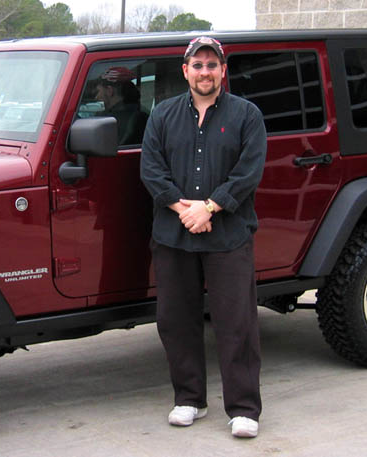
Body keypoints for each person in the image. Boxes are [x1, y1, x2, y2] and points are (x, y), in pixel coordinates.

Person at [139, 36, 267, 438]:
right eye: (198, 65)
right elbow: (151, 170)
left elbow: (248, 172)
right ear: (185, 71)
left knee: (237, 323)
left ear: (223, 71)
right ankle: (189, 399)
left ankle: (244, 408)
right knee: (176, 321)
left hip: (228, 236)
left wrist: (210, 208)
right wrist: (186, 210)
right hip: (174, 236)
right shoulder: (162, 116)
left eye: (212, 65)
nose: (205, 72)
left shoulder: (247, 115)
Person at [95, 66, 148, 145]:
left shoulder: (107, 118)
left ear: (110, 91)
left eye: (98, 91)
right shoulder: (143, 114)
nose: (97, 97)